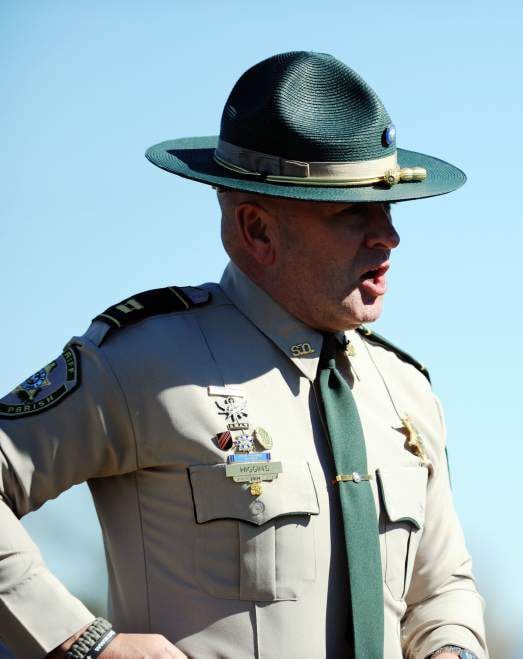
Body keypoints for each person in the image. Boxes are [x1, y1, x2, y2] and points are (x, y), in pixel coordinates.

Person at [0, 51, 487, 659]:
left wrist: (452, 648)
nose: (388, 236)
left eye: (388, 207)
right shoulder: (148, 363)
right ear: (257, 230)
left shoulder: (405, 391)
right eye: (351, 211)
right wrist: (81, 642)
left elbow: (443, 588)